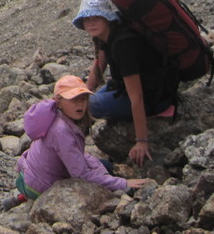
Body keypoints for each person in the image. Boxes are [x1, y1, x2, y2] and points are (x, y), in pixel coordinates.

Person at [73, 0, 176, 166]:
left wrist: (142, 140)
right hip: (132, 89)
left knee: (91, 105)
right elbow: (99, 66)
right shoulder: (108, 35)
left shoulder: (123, 46)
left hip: (154, 98)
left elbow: (137, 96)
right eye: (87, 18)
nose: (91, 22)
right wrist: (80, 94)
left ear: (107, 18)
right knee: (82, 101)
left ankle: (151, 115)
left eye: (97, 17)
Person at [13, 75, 149, 202]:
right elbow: (80, 174)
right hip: (39, 185)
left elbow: (77, 155)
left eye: (83, 99)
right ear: (58, 101)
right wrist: (122, 183)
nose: (80, 104)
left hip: (32, 175)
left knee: (103, 166)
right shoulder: (61, 130)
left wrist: (101, 170)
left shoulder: (59, 118)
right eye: (73, 99)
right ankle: (28, 197)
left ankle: (22, 197)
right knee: (104, 172)